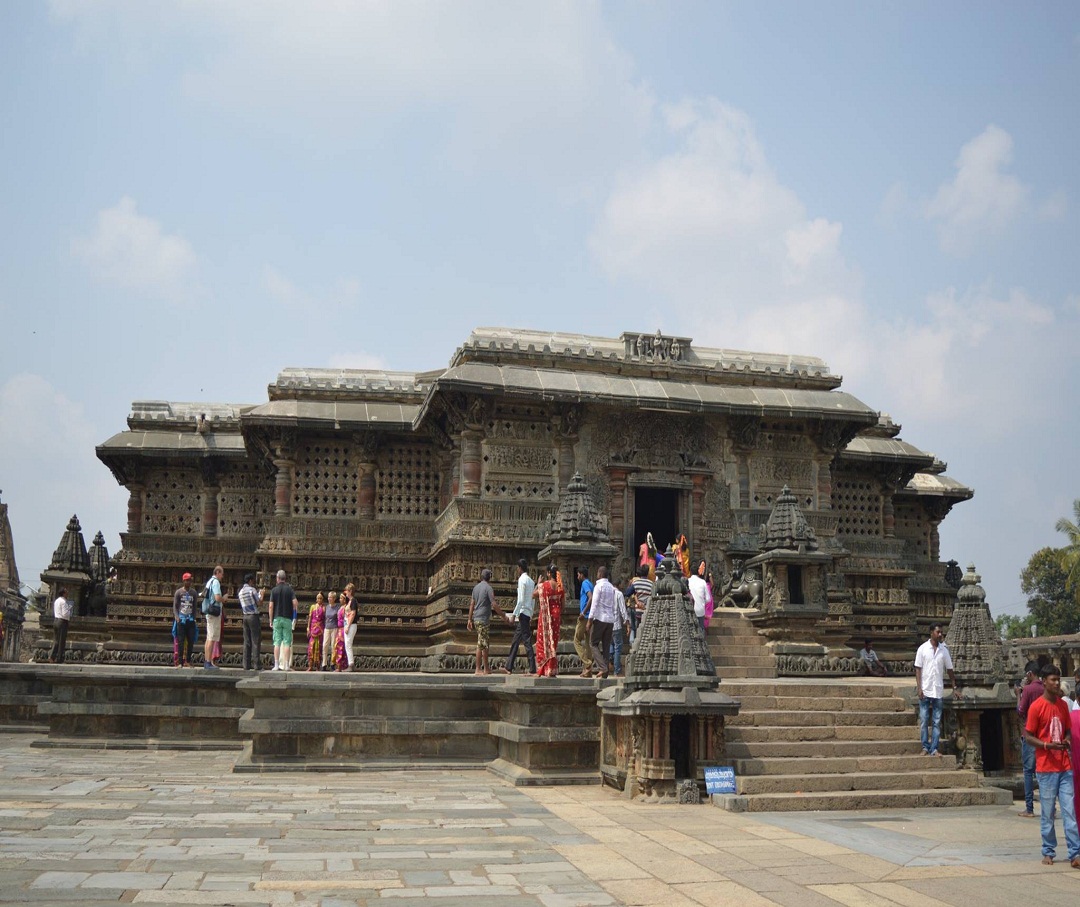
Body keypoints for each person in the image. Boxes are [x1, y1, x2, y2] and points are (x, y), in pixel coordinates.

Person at [1023, 664, 1080, 868]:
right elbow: (1028, 736)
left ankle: (1075, 853)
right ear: (1045, 682)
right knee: (1047, 812)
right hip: (1046, 767)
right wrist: (1046, 745)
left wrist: (1066, 740)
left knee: (1069, 811)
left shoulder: (1063, 705)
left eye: (1058, 680)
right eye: (1053, 680)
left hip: (1064, 765)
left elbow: (1066, 730)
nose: (1057, 683)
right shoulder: (1037, 706)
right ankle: (1048, 851)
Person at [913, 622, 960, 756]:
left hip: (937, 691)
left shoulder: (944, 650)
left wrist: (954, 687)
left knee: (936, 721)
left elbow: (950, 670)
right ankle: (925, 746)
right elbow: (918, 669)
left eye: (941, 632)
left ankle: (934, 748)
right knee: (923, 720)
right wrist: (919, 687)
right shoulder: (922, 649)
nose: (940, 634)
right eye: (938, 632)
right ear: (931, 633)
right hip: (926, 689)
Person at [1017, 660, 1046, 818]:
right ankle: (1049, 808)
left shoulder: (1028, 690)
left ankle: (1029, 808)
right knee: (1043, 771)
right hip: (1044, 736)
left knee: (1028, 772)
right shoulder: (1045, 689)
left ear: (1029, 674)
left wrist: (1018, 695)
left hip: (1029, 734)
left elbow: (1020, 711)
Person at [499, 559, 536, 675]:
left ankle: (532, 668)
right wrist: (531, 614)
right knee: (516, 640)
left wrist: (513, 615)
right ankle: (508, 667)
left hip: (522, 613)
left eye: (517, 568)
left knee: (527, 641)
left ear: (520, 568)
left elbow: (520, 600)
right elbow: (533, 599)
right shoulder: (531, 581)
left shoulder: (522, 580)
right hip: (527, 613)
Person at [587, 566, 624, 679]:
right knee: (606, 645)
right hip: (610, 620)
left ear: (599, 573)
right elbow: (612, 605)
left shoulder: (599, 586)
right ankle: (606, 672)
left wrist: (589, 620)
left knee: (593, 643)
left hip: (600, 618)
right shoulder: (611, 588)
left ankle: (603, 667)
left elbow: (594, 604)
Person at [467, 568, 506, 675]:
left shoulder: (476, 588)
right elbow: (493, 604)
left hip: (476, 618)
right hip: (483, 619)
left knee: (485, 643)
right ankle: (478, 668)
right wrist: (503, 615)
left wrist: (469, 619)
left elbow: (471, 604)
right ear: (489, 577)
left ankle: (486, 668)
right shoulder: (488, 588)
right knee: (481, 643)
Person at [532, 564, 564, 678]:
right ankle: (551, 669)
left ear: (549, 574)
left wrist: (538, 583)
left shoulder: (544, 586)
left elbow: (533, 595)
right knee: (553, 642)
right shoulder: (560, 586)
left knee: (542, 641)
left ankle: (542, 669)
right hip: (556, 615)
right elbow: (563, 604)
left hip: (546, 615)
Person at [269, 569, 298, 671]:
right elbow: (295, 603)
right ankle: (286, 665)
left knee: (277, 642)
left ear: (277, 578)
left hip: (277, 618)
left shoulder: (274, 590)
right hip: (287, 619)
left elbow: (271, 606)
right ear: (285, 579)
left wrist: (270, 620)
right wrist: (293, 610)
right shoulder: (289, 590)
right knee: (287, 642)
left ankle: (276, 665)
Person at [202, 566, 226, 670]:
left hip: (209, 611)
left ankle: (208, 661)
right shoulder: (215, 582)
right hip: (214, 612)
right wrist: (224, 598)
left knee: (209, 637)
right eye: (222, 573)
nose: (222, 576)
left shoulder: (209, 581)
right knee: (211, 638)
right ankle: (208, 662)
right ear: (217, 572)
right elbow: (217, 597)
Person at [172, 573, 198, 667]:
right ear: (183, 581)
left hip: (190, 619)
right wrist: (177, 617)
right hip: (181, 619)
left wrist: (194, 618)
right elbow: (175, 606)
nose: (188, 582)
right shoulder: (179, 592)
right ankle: (179, 662)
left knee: (191, 641)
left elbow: (195, 606)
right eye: (186, 580)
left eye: (189, 580)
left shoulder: (193, 593)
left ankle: (188, 660)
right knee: (181, 641)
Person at [237, 573, 262, 671]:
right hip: (253, 616)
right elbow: (259, 603)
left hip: (245, 616)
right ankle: (256, 664)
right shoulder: (252, 590)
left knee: (246, 641)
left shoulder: (241, 591)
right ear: (250, 581)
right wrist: (262, 595)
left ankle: (246, 664)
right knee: (256, 640)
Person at [573, 566, 594, 677]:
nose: (577, 577)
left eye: (578, 574)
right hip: (590, 616)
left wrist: (583, 612)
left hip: (585, 616)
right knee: (587, 643)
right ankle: (587, 670)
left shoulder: (585, 583)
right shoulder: (590, 583)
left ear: (581, 574)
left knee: (576, 641)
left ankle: (588, 663)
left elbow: (590, 597)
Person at [609, 576, 631, 677]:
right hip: (616, 624)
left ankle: (610, 659)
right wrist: (627, 624)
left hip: (607, 624)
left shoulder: (607, 593)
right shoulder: (618, 594)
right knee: (618, 646)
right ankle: (617, 670)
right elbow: (623, 610)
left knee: (610, 644)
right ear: (619, 585)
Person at [627, 565, 653, 643]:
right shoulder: (651, 584)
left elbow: (627, 593)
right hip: (646, 611)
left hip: (637, 609)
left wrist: (635, 594)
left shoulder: (636, 583)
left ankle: (633, 644)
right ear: (647, 573)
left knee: (634, 628)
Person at [49, 586, 72, 664]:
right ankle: (59, 658)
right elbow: (65, 614)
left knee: (56, 640)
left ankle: (52, 656)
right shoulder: (64, 602)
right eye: (66, 592)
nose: (67, 593)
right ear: (64, 593)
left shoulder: (57, 601)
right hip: (62, 621)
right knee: (61, 641)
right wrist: (69, 610)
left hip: (56, 621)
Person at [688, 559, 709, 633]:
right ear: (698, 571)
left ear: (690, 572)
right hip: (700, 610)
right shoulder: (703, 582)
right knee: (701, 628)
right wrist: (702, 601)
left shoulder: (687, 581)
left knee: (691, 629)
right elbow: (708, 599)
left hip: (690, 610)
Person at [306, 593, 326, 671]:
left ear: (323, 599)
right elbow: (310, 618)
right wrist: (308, 628)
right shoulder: (313, 607)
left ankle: (318, 666)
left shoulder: (324, 608)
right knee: (311, 647)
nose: (319, 600)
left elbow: (324, 619)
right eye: (318, 598)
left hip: (320, 629)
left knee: (319, 647)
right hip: (313, 628)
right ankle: (310, 666)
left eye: (321, 598)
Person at [322, 591, 340, 671]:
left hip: (334, 628)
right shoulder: (326, 607)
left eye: (331, 597)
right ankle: (324, 664)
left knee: (333, 646)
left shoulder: (337, 607)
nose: (329, 599)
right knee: (325, 645)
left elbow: (339, 618)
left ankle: (333, 663)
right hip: (327, 627)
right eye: (328, 597)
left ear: (334, 598)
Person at [342, 591, 359, 671]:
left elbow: (353, 613)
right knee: (347, 644)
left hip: (351, 625)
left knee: (348, 644)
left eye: (347, 591)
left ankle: (351, 664)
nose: (346, 593)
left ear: (350, 591)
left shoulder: (353, 601)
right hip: (347, 624)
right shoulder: (349, 601)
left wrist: (348, 626)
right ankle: (350, 663)